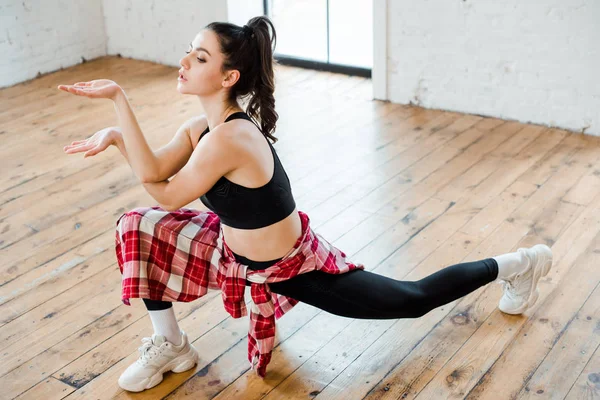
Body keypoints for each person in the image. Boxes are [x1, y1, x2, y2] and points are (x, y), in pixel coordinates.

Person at [58, 16, 553, 393]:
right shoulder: (199, 130)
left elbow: (162, 188)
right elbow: (158, 171)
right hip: (230, 252)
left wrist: (120, 105)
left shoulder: (230, 140)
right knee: (138, 227)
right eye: (190, 52)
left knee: (410, 300)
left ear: (229, 77)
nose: (185, 62)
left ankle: (518, 264)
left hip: (290, 265)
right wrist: (120, 133)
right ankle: (172, 346)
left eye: (201, 57)